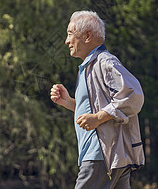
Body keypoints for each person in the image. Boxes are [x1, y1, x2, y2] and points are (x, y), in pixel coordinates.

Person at [50, 11, 145, 189]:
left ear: (87, 36)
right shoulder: (88, 67)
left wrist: (98, 118)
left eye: (70, 34)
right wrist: (68, 102)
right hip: (111, 156)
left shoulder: (105, 62)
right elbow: (97, 108)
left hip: (100, 155)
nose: (66, 41)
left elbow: (134, 95)